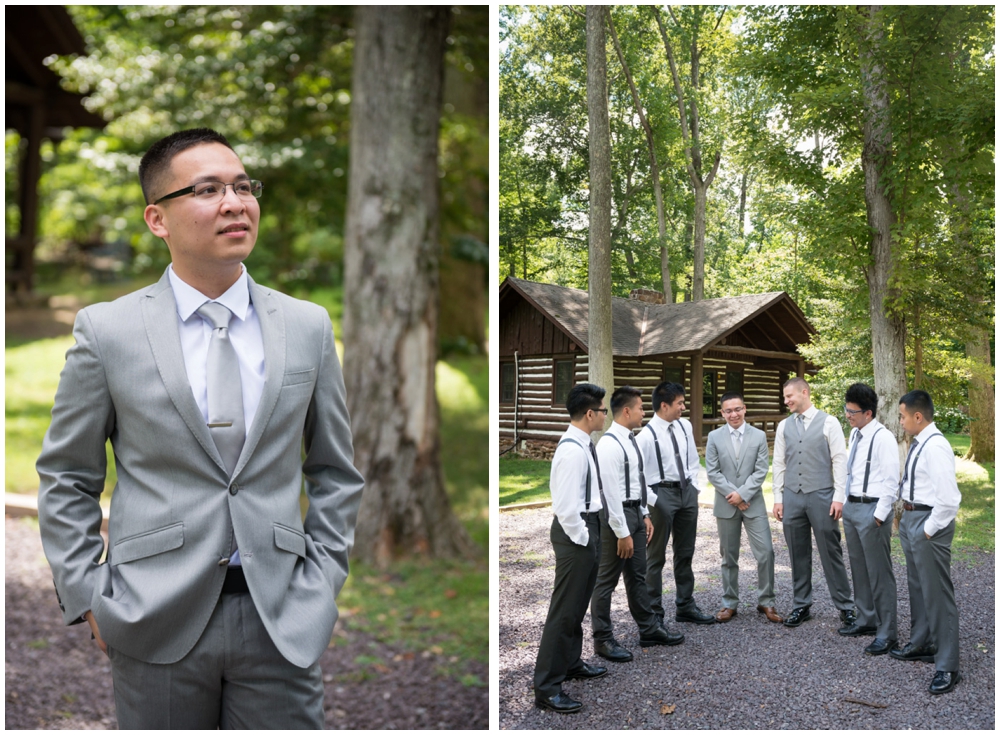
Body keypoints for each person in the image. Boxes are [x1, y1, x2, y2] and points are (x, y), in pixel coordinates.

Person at [36, 128, 365, 729]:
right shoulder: (106, 331)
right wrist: (90, 598)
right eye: (208, 189)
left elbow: (336, 472)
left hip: (281, 614)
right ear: (157, 219)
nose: (235, 202)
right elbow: (66, 475)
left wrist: (320, 585)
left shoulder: (307, 326)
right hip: (153, 615)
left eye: (243, 186)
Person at [591, 386, 684, 663]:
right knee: (606, 581)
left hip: (635, 514)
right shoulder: (608, 444)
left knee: (638, 575)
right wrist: (622, 532)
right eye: (642, 408)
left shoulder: (632, 439)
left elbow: (636, 481)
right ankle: (603, 639)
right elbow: (609, 492)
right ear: (627, 410)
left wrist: (644, 513)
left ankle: (649, 629)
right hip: (616, 519)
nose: (645, 412)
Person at [533, 383, 610, 714]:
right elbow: (565, 507)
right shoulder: (571, 451)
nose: (606, 415)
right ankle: (547, 687)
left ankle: (572, 662)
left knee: (577, 604)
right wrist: (584, 538)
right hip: (575, 532)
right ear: (590, 413)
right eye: (604, 410)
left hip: (588, 527)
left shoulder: (584, 444)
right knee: (564, 610)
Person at [890, 390, 962, 695]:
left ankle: (947, 665)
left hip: (928, 522)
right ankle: (923, 642)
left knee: (937, 594)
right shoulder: (921, 443)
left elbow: (949, 500)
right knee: (917, 586)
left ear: (918, 417)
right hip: (912, 518)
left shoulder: (936, 447)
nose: (901, 422)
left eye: (903, 416)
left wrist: (927, 530)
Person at [771, 377, 855, 628]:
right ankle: (801, 605)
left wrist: (839, 496)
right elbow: (778, 463)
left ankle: (845, 607)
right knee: (797, 553)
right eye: (785, 397)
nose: (786, 401)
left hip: (822, 496)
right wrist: (778, 498)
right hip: (792, 497)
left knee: (831, 552)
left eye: (789, 396)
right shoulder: (783, 426)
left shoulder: (829, 422)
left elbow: (840, 461)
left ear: (804, 392)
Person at [635, 381, 716, 627]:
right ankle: (654, 615)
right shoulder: (645, 436)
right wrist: (654, 500)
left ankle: (685, 606)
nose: (683, 407)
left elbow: (693, 458)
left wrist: (695, 487)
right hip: (661, 496)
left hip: (687, 493)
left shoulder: (684, 426)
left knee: (685, 552)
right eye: (680, 403)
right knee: (655, 557)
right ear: (664, 405)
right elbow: (638, 476)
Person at [704, 392, 782, 624]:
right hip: (726, 505)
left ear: (744, 409)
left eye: (737, 409)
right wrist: (735, 496)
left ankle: (766, 600)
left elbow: (761, 470)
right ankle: (729, 603)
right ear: (722, 413)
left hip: (754, 504)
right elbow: (713, 471)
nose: (733, 414)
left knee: (766, 552)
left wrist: (743, 494)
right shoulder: (714, 437)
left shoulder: (758, 436)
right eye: (728, 411)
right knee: (728, 557)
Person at [840, 383, 900, 655]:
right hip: (852, 509)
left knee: (879, 574)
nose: (848, 416)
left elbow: (891, 481)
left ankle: (887, 633)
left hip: (873, 511)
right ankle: (866, 620)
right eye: (847, 410)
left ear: (868, 412)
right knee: (859, 569)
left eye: (852, 412)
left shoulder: (883, 437)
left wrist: (878, 516)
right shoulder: (855, 434)